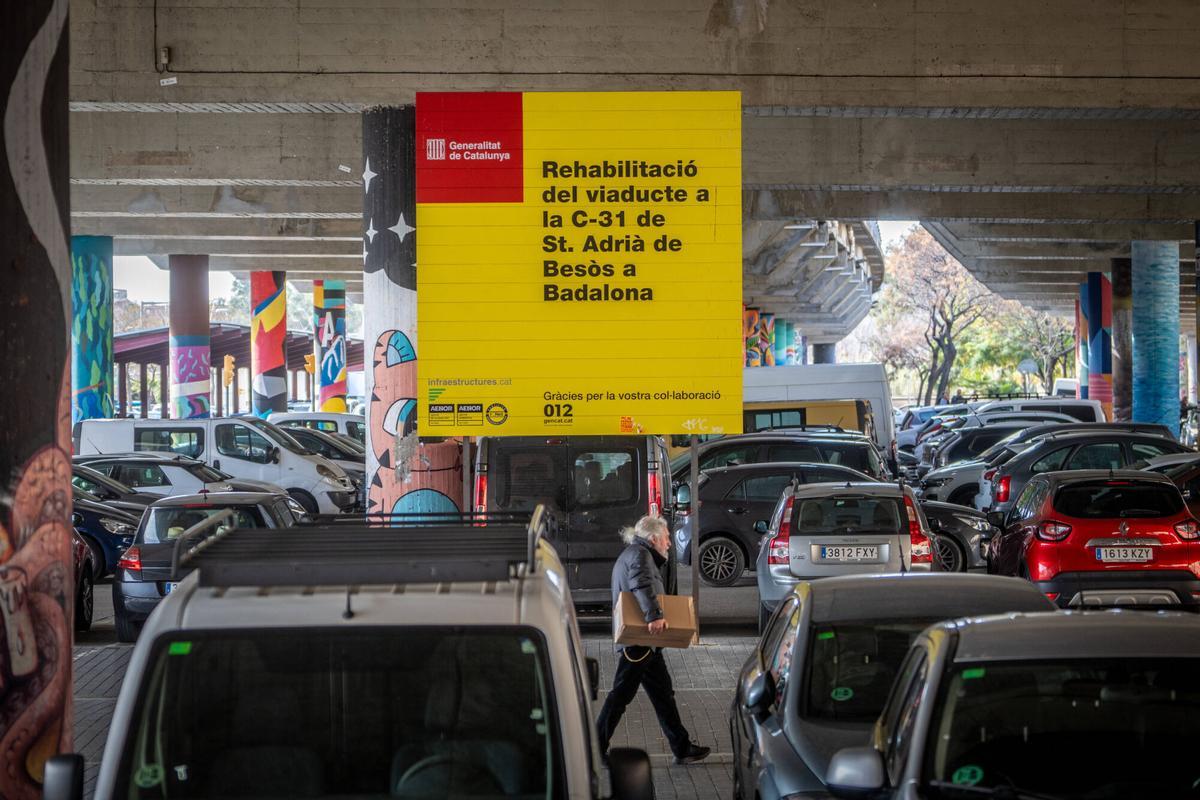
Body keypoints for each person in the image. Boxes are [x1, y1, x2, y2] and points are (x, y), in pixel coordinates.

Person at [596, 515, 711, 765]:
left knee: (663, 695)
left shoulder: (635, 553)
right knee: (620, 696)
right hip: (639, 642)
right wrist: (654, 615)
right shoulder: (640, 555)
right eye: (667, 538)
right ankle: (593, 748)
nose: (669, 543)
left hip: (647, 643)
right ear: (654, 538)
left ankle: (682, 747)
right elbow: (641, 583)